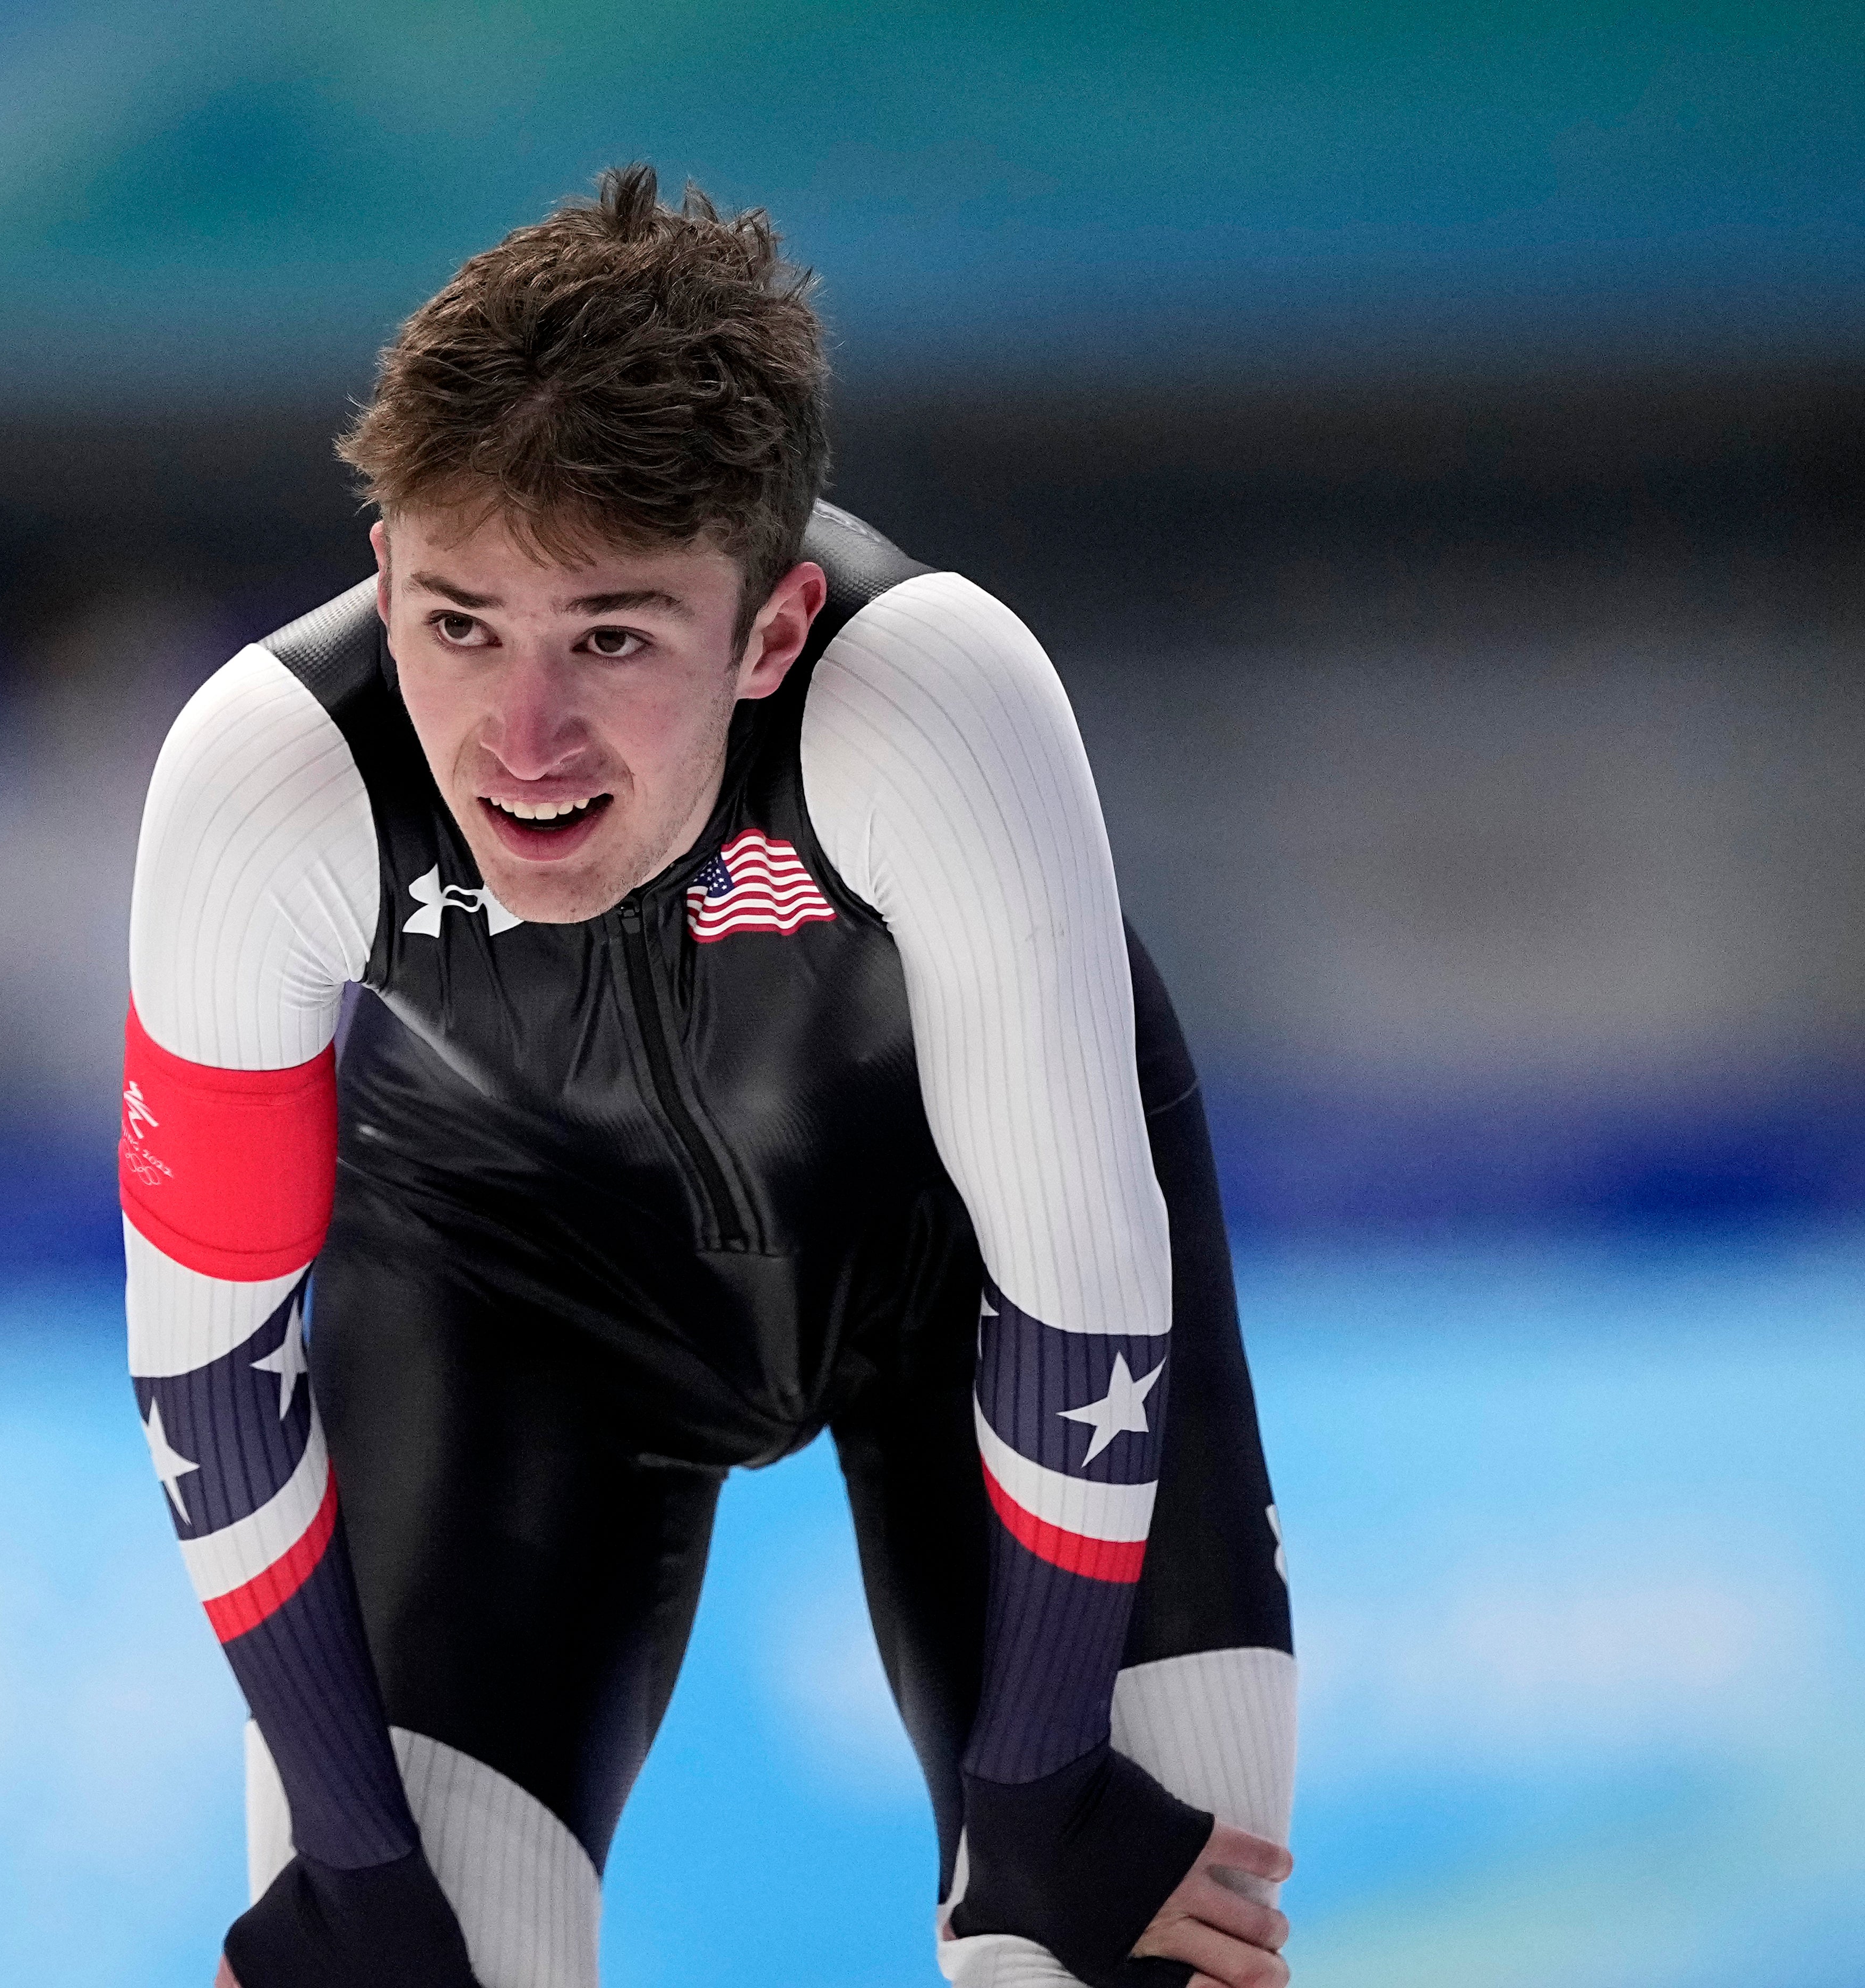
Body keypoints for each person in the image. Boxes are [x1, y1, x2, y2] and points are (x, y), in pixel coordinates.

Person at [119, 166, 1295, 1988]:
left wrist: (1046, 1792)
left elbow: (1075, 1282)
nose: (521, 743)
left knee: (1124, 1965)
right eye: (458, 625)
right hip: (505, 1292)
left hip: (962, 1271)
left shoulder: (933, 702)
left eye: (611, 638)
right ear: (381, 572)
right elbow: (207, 1371)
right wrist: (354, 1866)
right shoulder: (265, 784)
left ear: (769, 632)